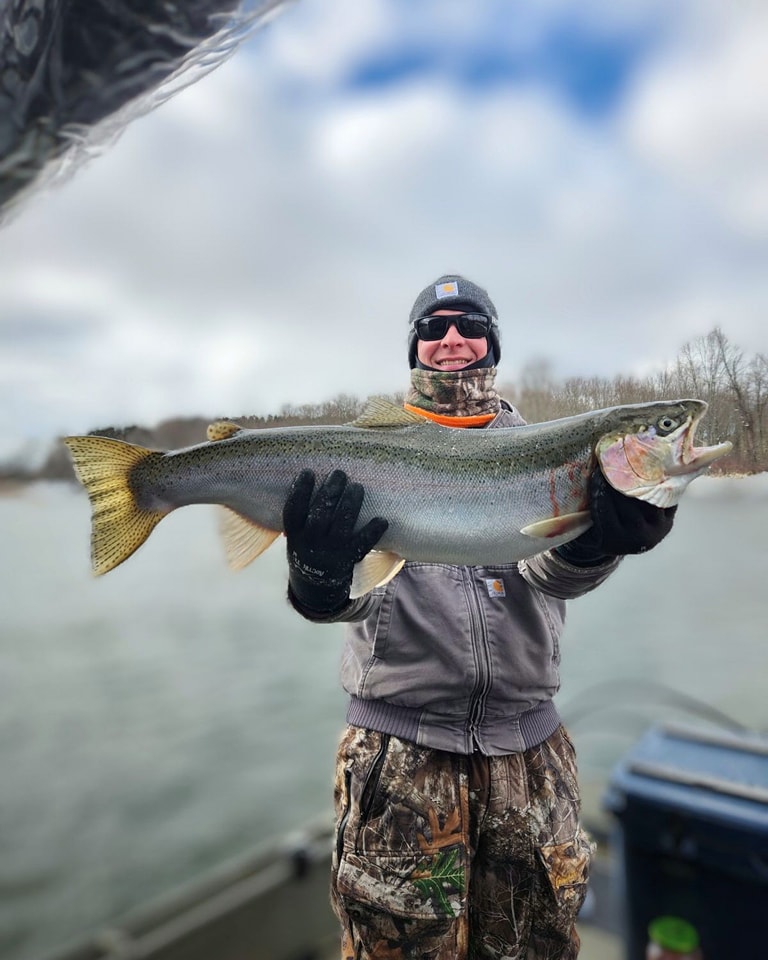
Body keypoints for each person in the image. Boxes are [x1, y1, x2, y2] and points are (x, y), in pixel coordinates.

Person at [282, 275, 676, 959]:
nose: (452, 339)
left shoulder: (555, 450)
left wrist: (597, 542)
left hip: (531, 756)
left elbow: (548, 575)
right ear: (415, 348)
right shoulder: (364, 452)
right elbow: (364, 600)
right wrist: (318, 583)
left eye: (469, 324)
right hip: (397, 757)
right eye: (433, 327)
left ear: (492, 341)